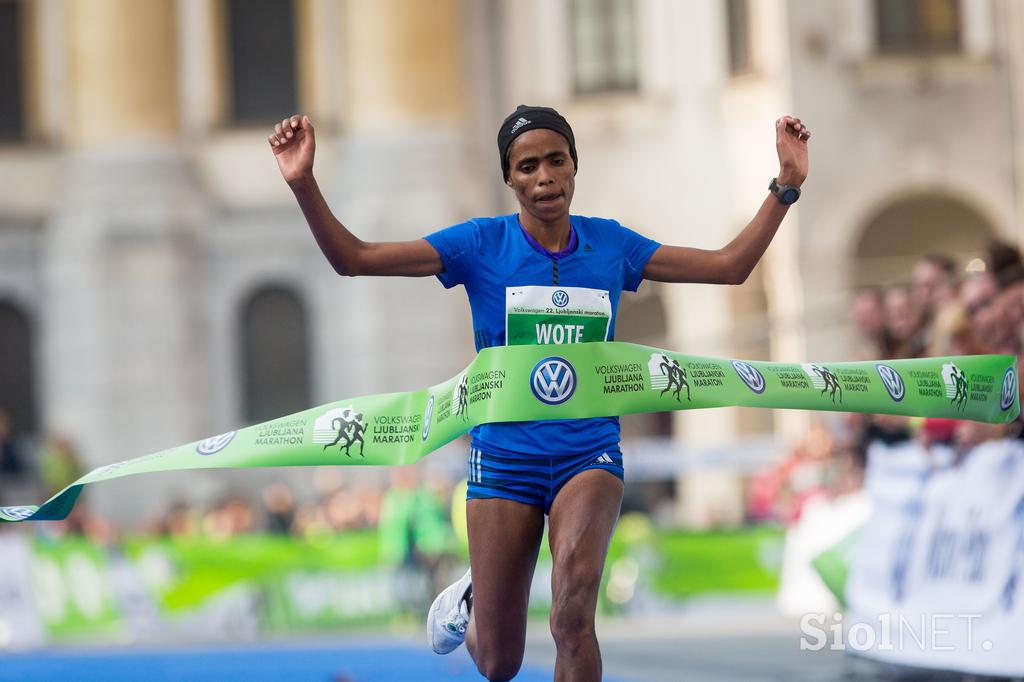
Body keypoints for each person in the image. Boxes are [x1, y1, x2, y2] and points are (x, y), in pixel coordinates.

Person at [269, 105, 809, 681]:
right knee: (500, 662)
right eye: (528, 166)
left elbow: (730, 267)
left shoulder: (611, 245)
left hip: (589, 452)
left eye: (556, 160)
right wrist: (302, 181)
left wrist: (786, 186)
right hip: (503, 459)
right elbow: (355, 260)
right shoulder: (480, 244)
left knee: (573, 618)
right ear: (509, 178)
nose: (544, 177)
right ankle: (476, 603)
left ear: (575, 165)